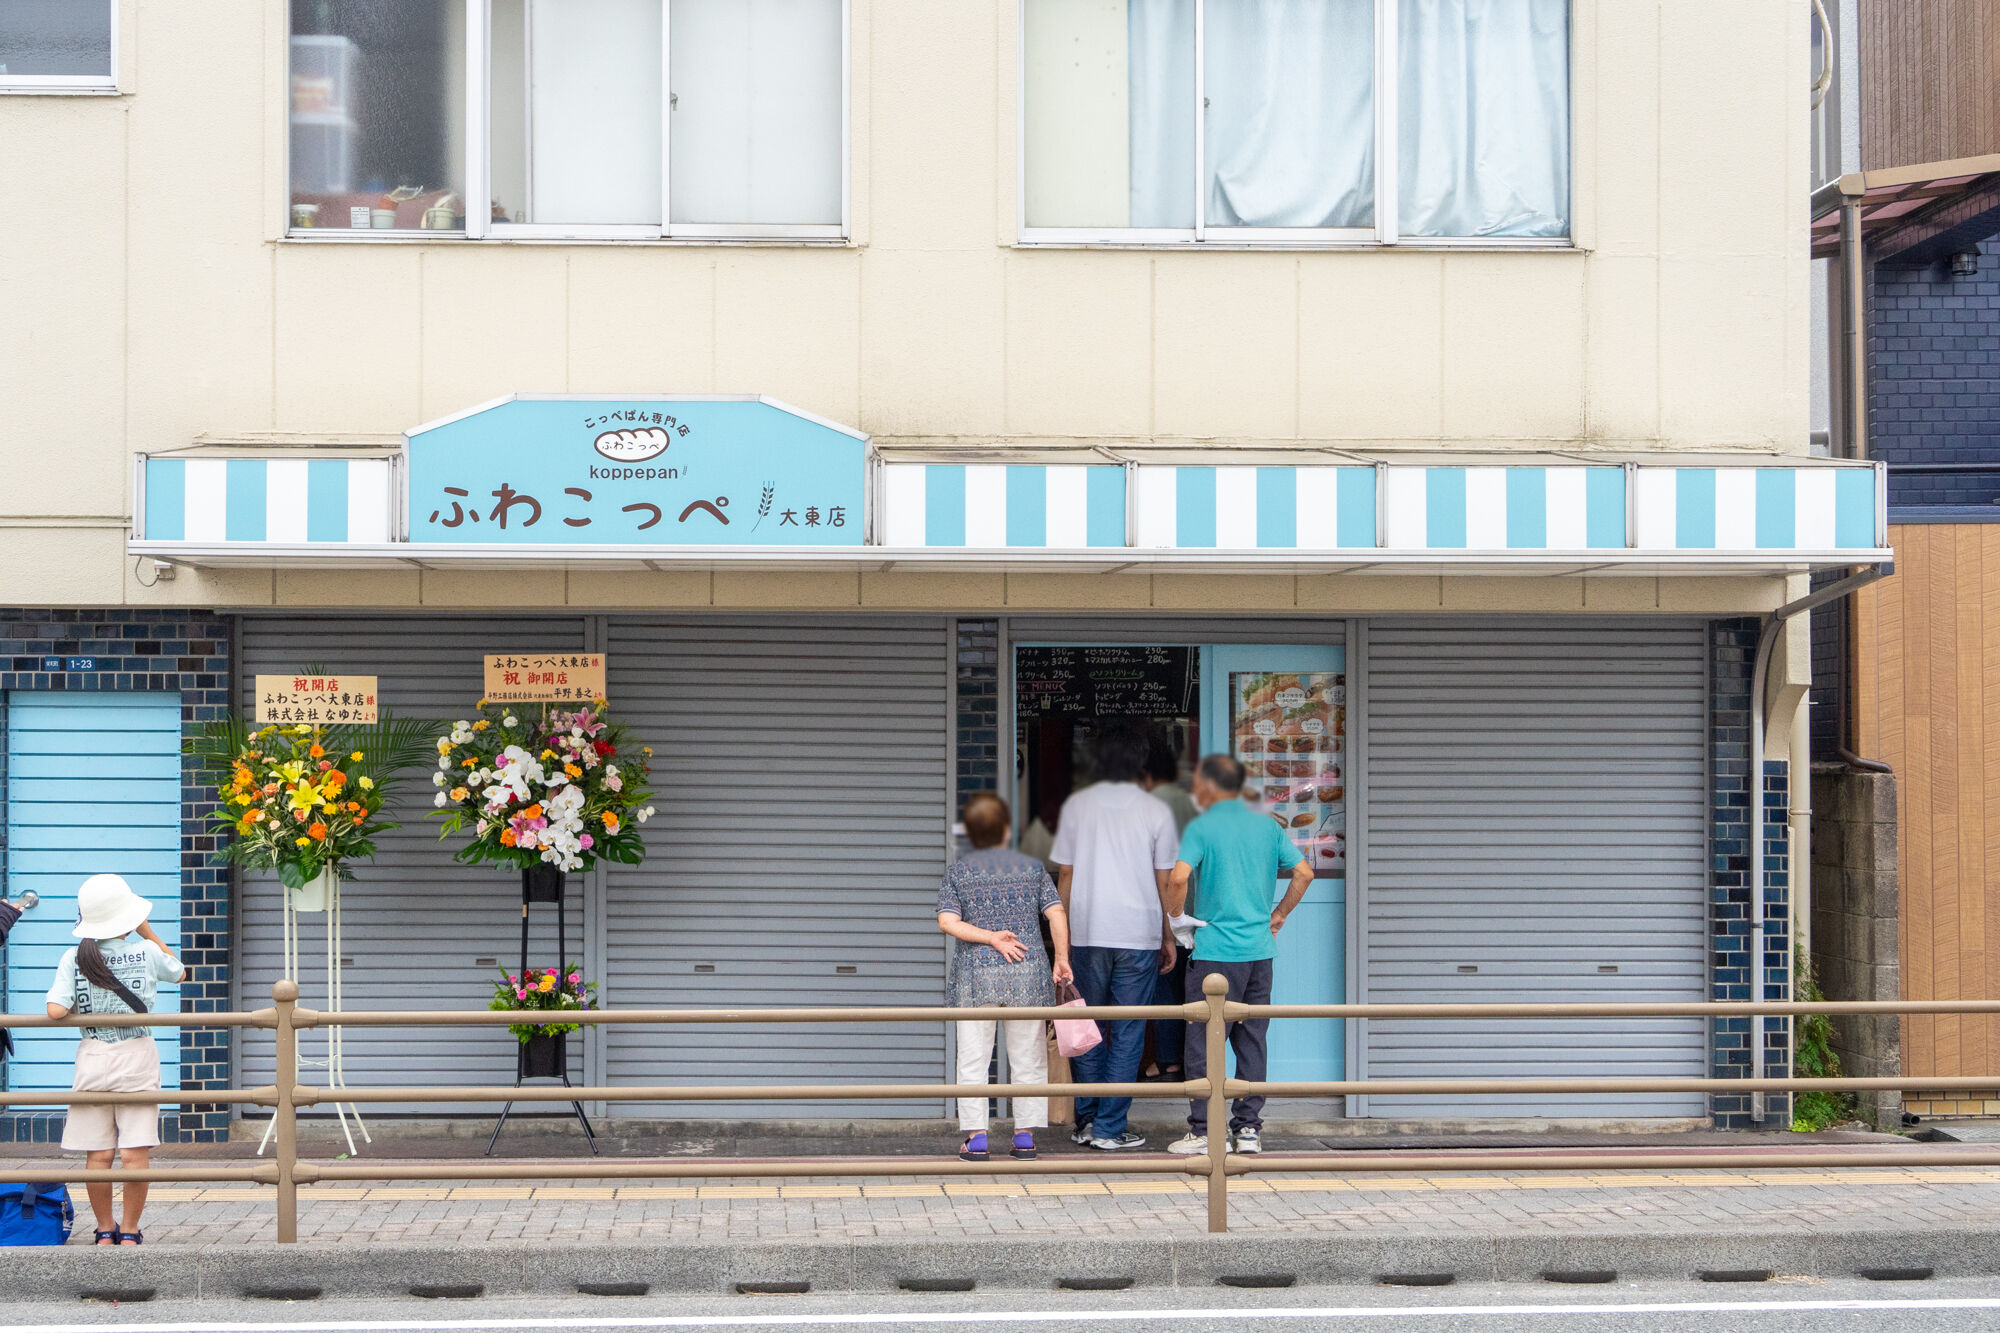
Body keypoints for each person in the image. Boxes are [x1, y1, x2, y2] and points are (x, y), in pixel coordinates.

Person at [1165, 754, 1313, 1157]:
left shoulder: (1203, 827)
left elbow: (1178, 877)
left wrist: (1177, 919)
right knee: (1252, 1041)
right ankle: (1248, 1129)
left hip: (1214, 952)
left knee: (1203, 1041)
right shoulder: (1267, 827)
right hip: (1259, 954)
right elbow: (1304, 873)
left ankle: (1204, 1131)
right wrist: (1278, 914)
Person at [1051, 724, 1180, 1151]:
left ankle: (1088, 1122)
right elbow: (1164, 882)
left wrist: (1062, 938)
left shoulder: (1077, 806)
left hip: (1087, 932)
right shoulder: (1156, 811)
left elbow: (1065, 875)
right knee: (1128, 1030)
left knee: (1087, 1024)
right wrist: (1167, 935)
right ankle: (1109, 1128)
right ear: (1141, 762)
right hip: (1137, 934)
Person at [44, 873, 185, 1246]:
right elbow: (180, 972)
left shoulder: (74, 956)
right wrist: (147, 931)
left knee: (99, 1154)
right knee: (134, 1153)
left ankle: (104, 1230)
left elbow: (56, 1009)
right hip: (136, 1055)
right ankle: (131, 1232)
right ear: (128, 917)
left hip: (92, 1056)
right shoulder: (148, 952)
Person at [936, 792, 1073, 1163]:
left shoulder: (960, 871)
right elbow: (1056, 913)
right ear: (1007, 830)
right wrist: (1061, 958)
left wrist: (988, 937)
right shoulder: (1031, 867)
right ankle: (1024, 1138)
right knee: (1028, 1058)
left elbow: (947, 921)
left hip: (975, 977)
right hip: (1027, 973)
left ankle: (977, 1138)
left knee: (973, 1059)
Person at [1140, 738, 1196, 1082]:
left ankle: (1167, 1059)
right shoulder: (1193, 805)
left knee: (1164, 985)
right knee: (1194, 989)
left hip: (1162, 907)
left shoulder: (1147, 806)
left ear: (1146, 776)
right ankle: (1195, 1062)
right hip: (1194, 907)